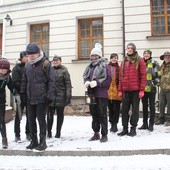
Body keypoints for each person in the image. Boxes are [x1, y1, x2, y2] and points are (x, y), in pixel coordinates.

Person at [21, 43, 55, 151]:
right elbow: (24, 80)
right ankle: (34, 141)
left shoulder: (46, 64)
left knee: (41, 120)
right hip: (30, 97)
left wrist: (50, 95)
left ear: (38, 53)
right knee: (31, 120)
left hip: (42, 97)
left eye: (33, 54)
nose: (30, 56)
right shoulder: (27, 65)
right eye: (29, 55)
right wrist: (22, 93)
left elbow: (52, 81)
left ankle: (43, 142)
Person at [83, 43, 111, 142]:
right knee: (94, 114)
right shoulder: (89, 67)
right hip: (91, 94)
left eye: (95, 55)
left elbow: (108, 80)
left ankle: (104, 135)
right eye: (92, 55)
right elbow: (86, 76)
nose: (93, 57)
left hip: (101, 94)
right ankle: (96, 133)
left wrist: (98, 83)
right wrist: (86, 81)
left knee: (102, 114)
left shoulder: (105, 66)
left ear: (99, 56)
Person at [117, 43, 146, 137]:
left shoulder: (139, 60)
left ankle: (133, 128)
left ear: (134, 49)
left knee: (135, 110)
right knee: (124, 110)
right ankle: (125, 128)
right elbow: (121, 77)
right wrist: (120, 90)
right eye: (128, 48)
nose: (129, 49)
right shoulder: (124, 61)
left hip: (135, 90)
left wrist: (142, 90)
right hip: (125, 90)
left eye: (131, 48)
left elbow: (143, 76)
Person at [47, 55, 72, 138]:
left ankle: (58, 132)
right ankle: (49, 132)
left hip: (61, 96)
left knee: (60, 115)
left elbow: (68, 84)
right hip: (51, 97)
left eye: (57, 60)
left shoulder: (64, 71)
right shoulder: (50, 70)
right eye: (54, 60)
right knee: (49, 116)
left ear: (60, 61)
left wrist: (68, 95)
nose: (55, 62)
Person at [0, 58, 20, 149]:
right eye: (2, 69)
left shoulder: (7, 77)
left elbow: (12, 87)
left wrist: (16, 95)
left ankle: (4, 140)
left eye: (5, 69)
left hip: (1, 102)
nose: (3, 71)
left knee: (1, 121)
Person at [138, 49, 161, 131]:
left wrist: (153, 83)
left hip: (151, 89)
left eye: (148, 53)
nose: (146, 55)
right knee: (144, 107)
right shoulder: (140, 63)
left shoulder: (154, 63)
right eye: (145, 53)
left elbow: (159, 76)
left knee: (152, 107)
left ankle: (151, 124)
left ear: (150, 55)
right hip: (143, 89)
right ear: (143, 55)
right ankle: (145, 123)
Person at [12, 51, 30, 142]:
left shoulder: (30, 66)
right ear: (21, 58)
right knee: (18, 116)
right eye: (25, 57)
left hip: (30, 96)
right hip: (20, 96)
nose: (27, 58)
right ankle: (17, 135)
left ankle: (28, 133)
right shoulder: (16, 68)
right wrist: (25, 87)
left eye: (28, 56)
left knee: (30, 116)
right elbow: (15, 82)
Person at [108, 53, 122, 132]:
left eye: (115, 58)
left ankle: (115, 125)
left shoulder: (120, 68)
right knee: (110, 109)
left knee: (116, 109)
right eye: (112, 58)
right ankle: (111, 123)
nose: (114, 59)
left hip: (117, 91)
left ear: (117, 59)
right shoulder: (106, 67)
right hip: (108, 92)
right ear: (110, 59)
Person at [155, 51, 170, 126]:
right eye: (165, 56)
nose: (167, 57)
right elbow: (159, 75)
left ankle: (168, 120)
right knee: (161, 104)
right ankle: (161, 119)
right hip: (162, 89)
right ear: (163, 58)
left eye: (168, 56)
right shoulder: (162, 66)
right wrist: (157, 82)